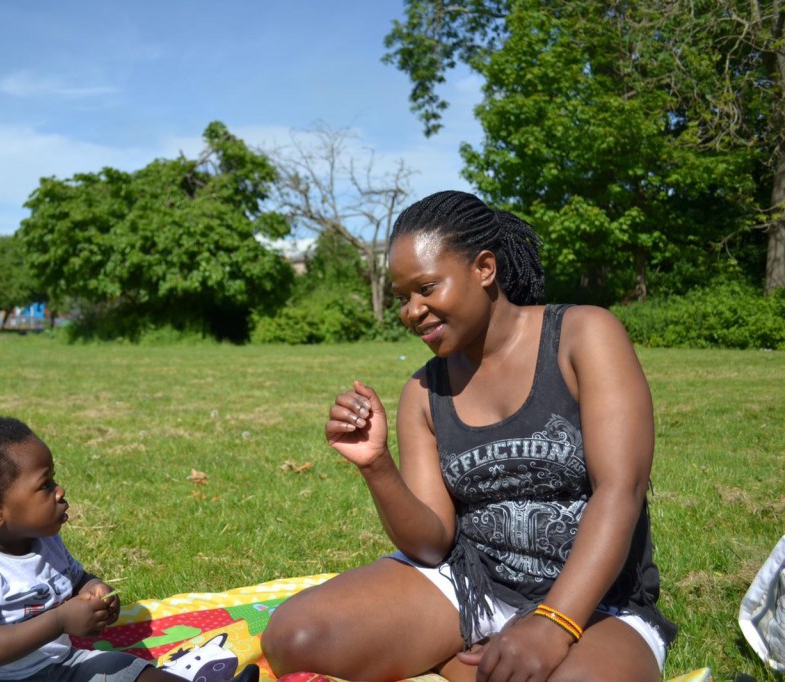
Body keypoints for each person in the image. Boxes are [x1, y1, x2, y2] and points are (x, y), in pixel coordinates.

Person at [261, 191, 676, 682]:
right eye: (402, 298)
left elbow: (620, 492)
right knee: (296, 638)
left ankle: (460, 661)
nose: (412, 311)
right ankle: (469, 654)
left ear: (484, 268)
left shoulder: (584, 337)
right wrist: (376, 465)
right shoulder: (423, 390)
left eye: (427, 287)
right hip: (470, 588)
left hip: (597, 600)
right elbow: (431, 544)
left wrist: (552, 623)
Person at [0, 415, 259, 682]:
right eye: (45, 485)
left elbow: (76, 579)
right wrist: (59, 622)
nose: (60, 490)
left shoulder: (45, 542)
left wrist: (95, 589)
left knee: (124, 667)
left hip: (60, 666)